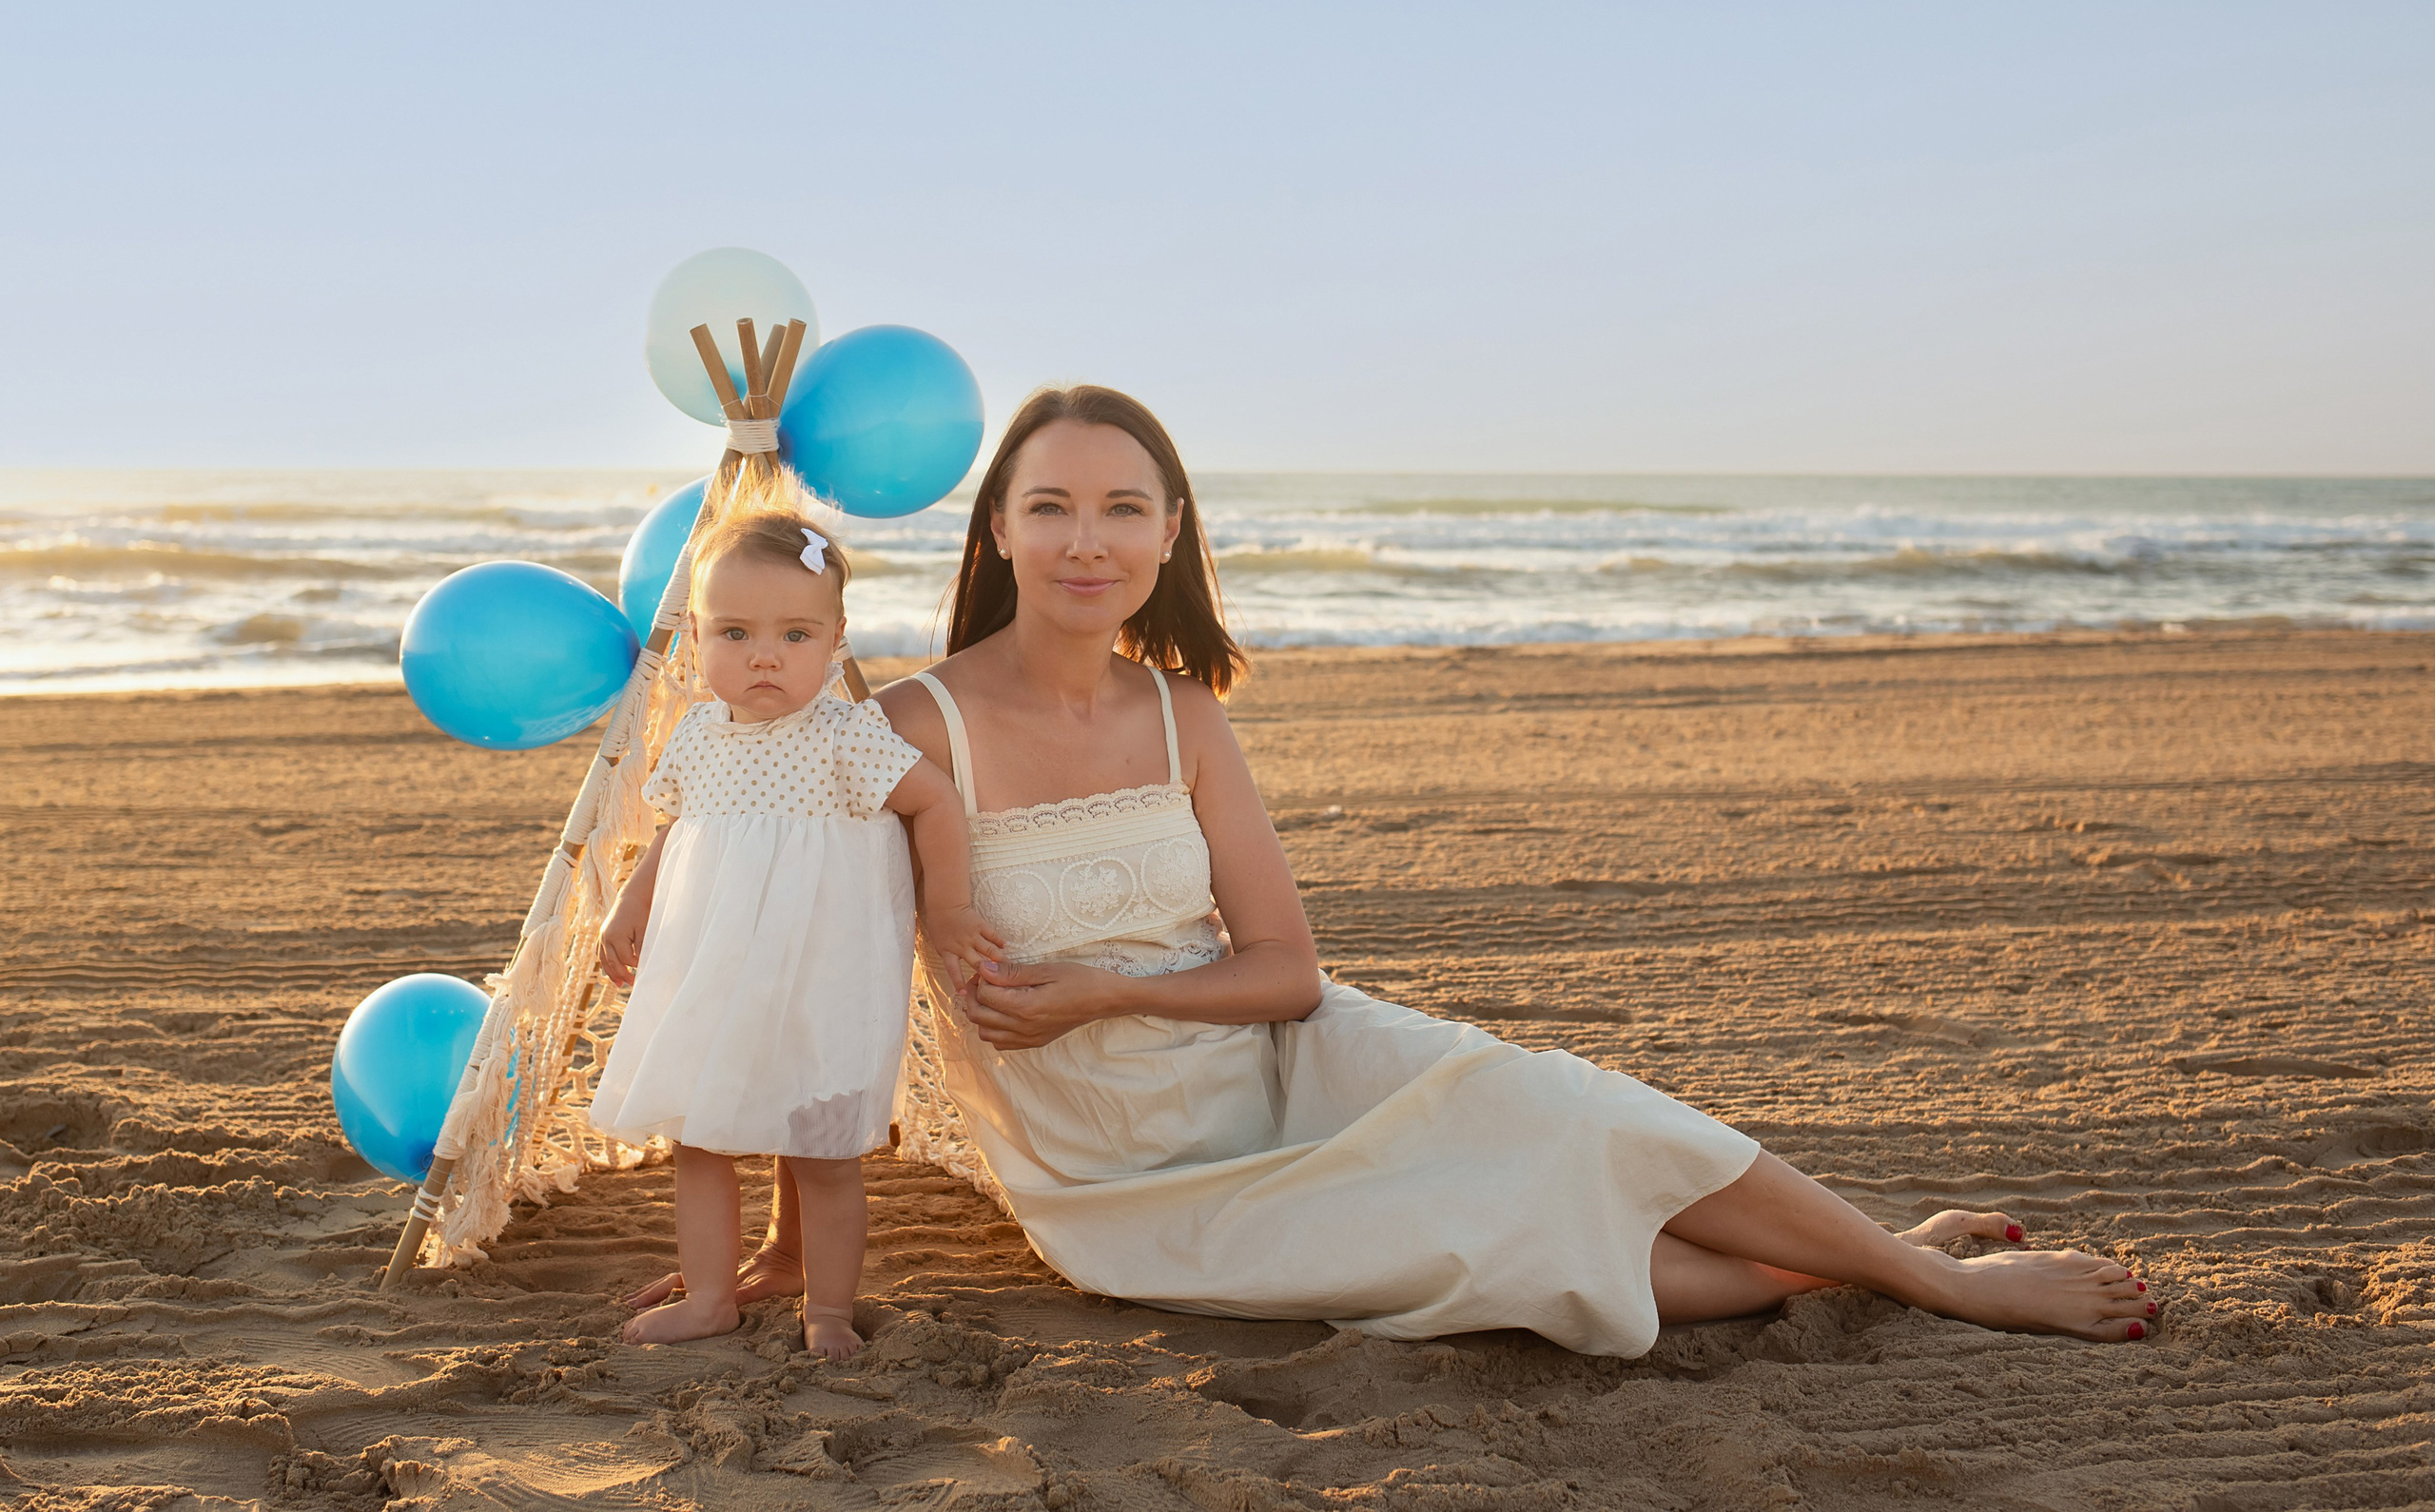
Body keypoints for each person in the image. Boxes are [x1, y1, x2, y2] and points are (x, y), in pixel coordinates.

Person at [631, 389, 2161, 1353]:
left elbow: (1285, 967)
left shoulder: (1185, 710)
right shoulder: (908, 723)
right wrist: (781, 1226)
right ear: (1002, 530)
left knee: (1568, 1107)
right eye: (1052, 505)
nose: (1085, 538)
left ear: (1169, 537)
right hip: (1121, 1162)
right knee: (1507, 1250)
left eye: (1122, 507)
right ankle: (1887, 1264)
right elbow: (790, 939)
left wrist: (1106, 980)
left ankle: (1933, 1275)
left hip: (1285, 1048)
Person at [590, 475, 1003, 1355]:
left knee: (819, 1144)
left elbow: (935, 802)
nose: (765, 655)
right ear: (697, 637)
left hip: (825, 973)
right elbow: (677, 828)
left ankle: (825, 1302)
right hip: (715, 968)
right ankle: (711, 1294)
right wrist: (632, 901)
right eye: (735, 633)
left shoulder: (848, 736)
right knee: (700, 1136)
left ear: (835, 641)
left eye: (795, 634)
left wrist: (953, 905)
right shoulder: (699, 734)